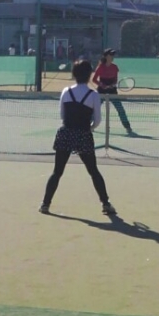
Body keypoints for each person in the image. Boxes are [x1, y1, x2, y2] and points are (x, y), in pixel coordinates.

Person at [40, 58, 116, 217]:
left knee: (57, 172)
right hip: (83, 135)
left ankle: (45, 205)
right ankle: (106, 204)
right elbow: (97, 120)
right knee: (93, 171)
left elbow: (62, 115)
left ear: (74, 74)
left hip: (65, 133)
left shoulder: (65, 92)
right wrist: (88, 128)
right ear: (89, 75)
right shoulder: (93, 94)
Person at [91, 48, 134, 135]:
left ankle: (127, 127)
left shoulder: (115, 67)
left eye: (113, 55)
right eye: (111, 55)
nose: (113, 57)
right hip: (101, 91)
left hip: (112, 91)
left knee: (120, 109)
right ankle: (89, 126)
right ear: (106, 56)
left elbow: (115, 79)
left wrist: (113, 84)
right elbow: (94, 79)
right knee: (94, 109)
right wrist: (102, 85)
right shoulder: (100, 67)